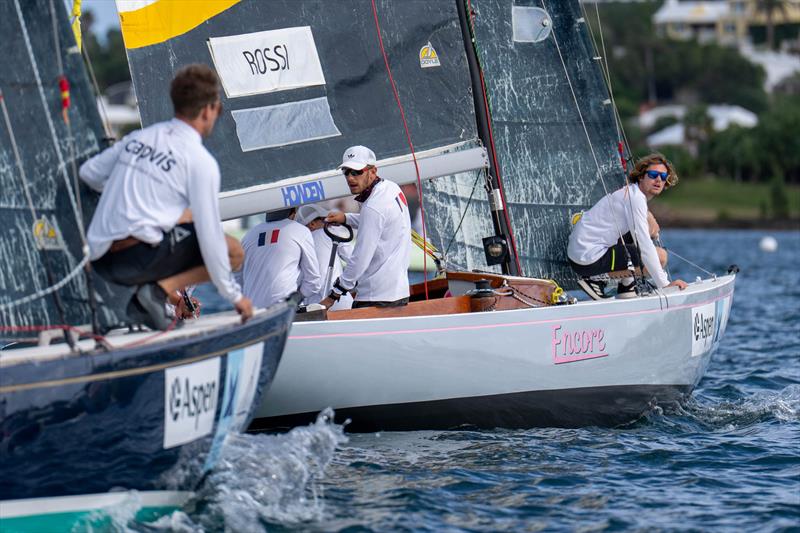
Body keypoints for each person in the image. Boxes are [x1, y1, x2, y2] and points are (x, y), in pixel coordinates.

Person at [79, 64, 252, 330]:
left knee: (177, 224)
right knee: (234, 252)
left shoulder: (138, 138)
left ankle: (150, 296)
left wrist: (122, 193)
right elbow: (210, 238)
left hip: (100, 260)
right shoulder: (200, 161)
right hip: (134, 260)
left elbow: (89, 173)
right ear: (207, 110)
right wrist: (235, 297)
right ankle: (155, 294)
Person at [567, 153, 688, 300]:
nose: (658, 180)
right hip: (587, 258)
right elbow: (644, 245)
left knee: (639, 236)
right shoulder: (635, 198)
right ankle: (595, 279)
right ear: (641, 176)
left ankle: (626, 286)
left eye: (663, 177)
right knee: (660, 256)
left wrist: (650, 218)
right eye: (653, 174)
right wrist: (664, 284)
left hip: (583, 255)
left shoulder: (633, 194)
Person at [320, 146, 411, 309]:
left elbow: (360, 258)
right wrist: (346, 218)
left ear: (373, 171)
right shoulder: (391, 188)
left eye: (356, 172)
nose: (350, 178)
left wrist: (334, 294)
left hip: (376, 297)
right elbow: (380, 221)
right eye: (346, 172)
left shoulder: (373, 207)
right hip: (398, 292)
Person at [240, 207, 322, 308]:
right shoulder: (300, 230)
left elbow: (238, 278)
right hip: (284, 309)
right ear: (293, 213)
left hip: (253, 311)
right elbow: (314, 281)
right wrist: (297, 297)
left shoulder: (248, 235)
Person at [296, 204, 353, 310]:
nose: (330, 223)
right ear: (312, 224)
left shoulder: (298, 243)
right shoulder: (330, 232)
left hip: (311, 305)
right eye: (324, 220)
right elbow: (352, 258)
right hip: (338, 300)